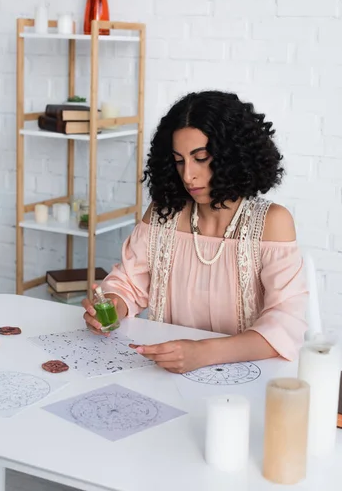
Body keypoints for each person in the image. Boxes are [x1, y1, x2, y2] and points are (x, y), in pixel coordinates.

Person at [83, 91, 308, 373]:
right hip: (167, 370)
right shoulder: (164, 214)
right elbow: (128, 283)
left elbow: (285, 324)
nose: (188, 175)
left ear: (233, 156)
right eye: (179, 161)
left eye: (201, 158)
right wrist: (111, 306)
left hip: (248, 377)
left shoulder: (271, 223)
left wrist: (202, 352)